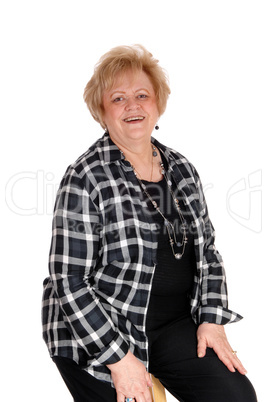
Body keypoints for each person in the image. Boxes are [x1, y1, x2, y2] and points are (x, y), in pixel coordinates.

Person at [42, 45, 257, 402]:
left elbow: (208, 253)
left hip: (171, 325)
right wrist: (120, 360)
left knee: (236, 395)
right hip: (101, 329)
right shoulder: (85, 177)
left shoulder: (182, 169)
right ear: (102, 111)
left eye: (142, 95)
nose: (133, 106)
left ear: (158, 103)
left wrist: (211, 317)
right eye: (118, 98)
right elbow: (68, 281)